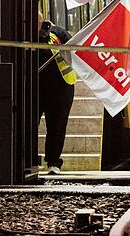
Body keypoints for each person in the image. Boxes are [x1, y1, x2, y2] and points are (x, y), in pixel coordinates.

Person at [37, 12, 77, 174]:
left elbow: (75, 51)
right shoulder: (22, 36)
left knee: (57, 126)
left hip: (61, 88)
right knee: (29, 125)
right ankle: (29, 160)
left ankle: (53, 162)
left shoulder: (57, 33)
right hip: (34, 89)